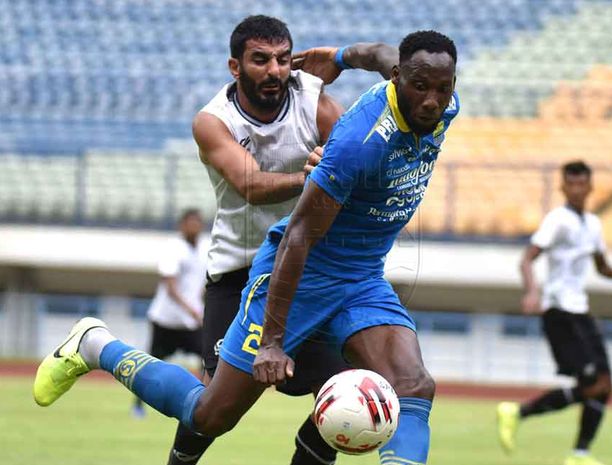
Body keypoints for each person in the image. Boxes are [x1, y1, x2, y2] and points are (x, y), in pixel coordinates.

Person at [33, 30, 459, 465]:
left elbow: (386, 53)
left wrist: (339, 55)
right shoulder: (357, 142)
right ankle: (95, 344)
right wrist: (272, 342)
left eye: (442, 88)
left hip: (361, 278)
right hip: (300, 273)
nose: (431, 100)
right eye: (419, 86)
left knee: (413, 386)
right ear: (397, 79)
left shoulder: (442, 104)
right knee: (210, 415)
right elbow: (297, 235)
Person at [165, 15, 400, 465]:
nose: (273, 70)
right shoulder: (212, 121)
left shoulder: (315, 102)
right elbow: (249, 185)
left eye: (281, 59)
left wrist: (342, 57)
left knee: (345, 392)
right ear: (235, 67)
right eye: (259, 60)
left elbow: (363, 149)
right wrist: (314, 176)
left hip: (306, 274)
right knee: (214, 411)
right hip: (237, 272)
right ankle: (103, 352)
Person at [497, 160, 612, 465]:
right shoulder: (557, 220)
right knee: (592, 385)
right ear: (562, 186)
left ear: (590, 186)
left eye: (581, 183)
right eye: (570, 183)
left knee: (605, 385)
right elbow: (527, 259)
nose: (576, 188)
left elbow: (601, 266)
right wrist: (532, 291)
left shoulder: (593, 224)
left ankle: (580, 454)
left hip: (581, 311)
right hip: (559, 311)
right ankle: (517, 414)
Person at [132, 208, 207, 418]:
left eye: (197, 222)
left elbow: (202, 283)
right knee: (151, 365)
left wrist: (199, 305)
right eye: (190, 222)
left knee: (208, 359)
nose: (194, 226)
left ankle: (202, 404)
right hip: (166, 319)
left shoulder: (204, 249)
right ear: (182, 225)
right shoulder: (174, 248)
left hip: (190, 322)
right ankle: (138, 405)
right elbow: (170, 286)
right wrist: (191, 308)